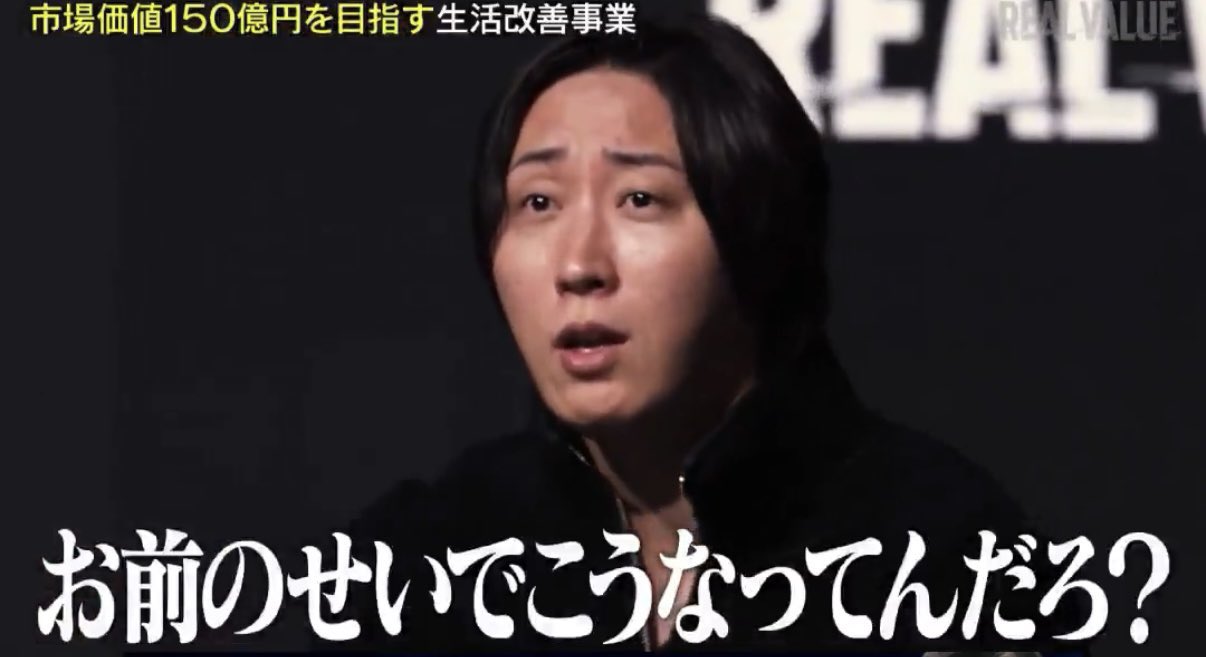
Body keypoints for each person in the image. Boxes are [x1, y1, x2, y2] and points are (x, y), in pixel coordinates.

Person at [325, 12, 1087, 654]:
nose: (579, 265)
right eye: (538, 203)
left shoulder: (946, 557)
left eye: (640, 198)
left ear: (758, 233)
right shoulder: (424, 563)